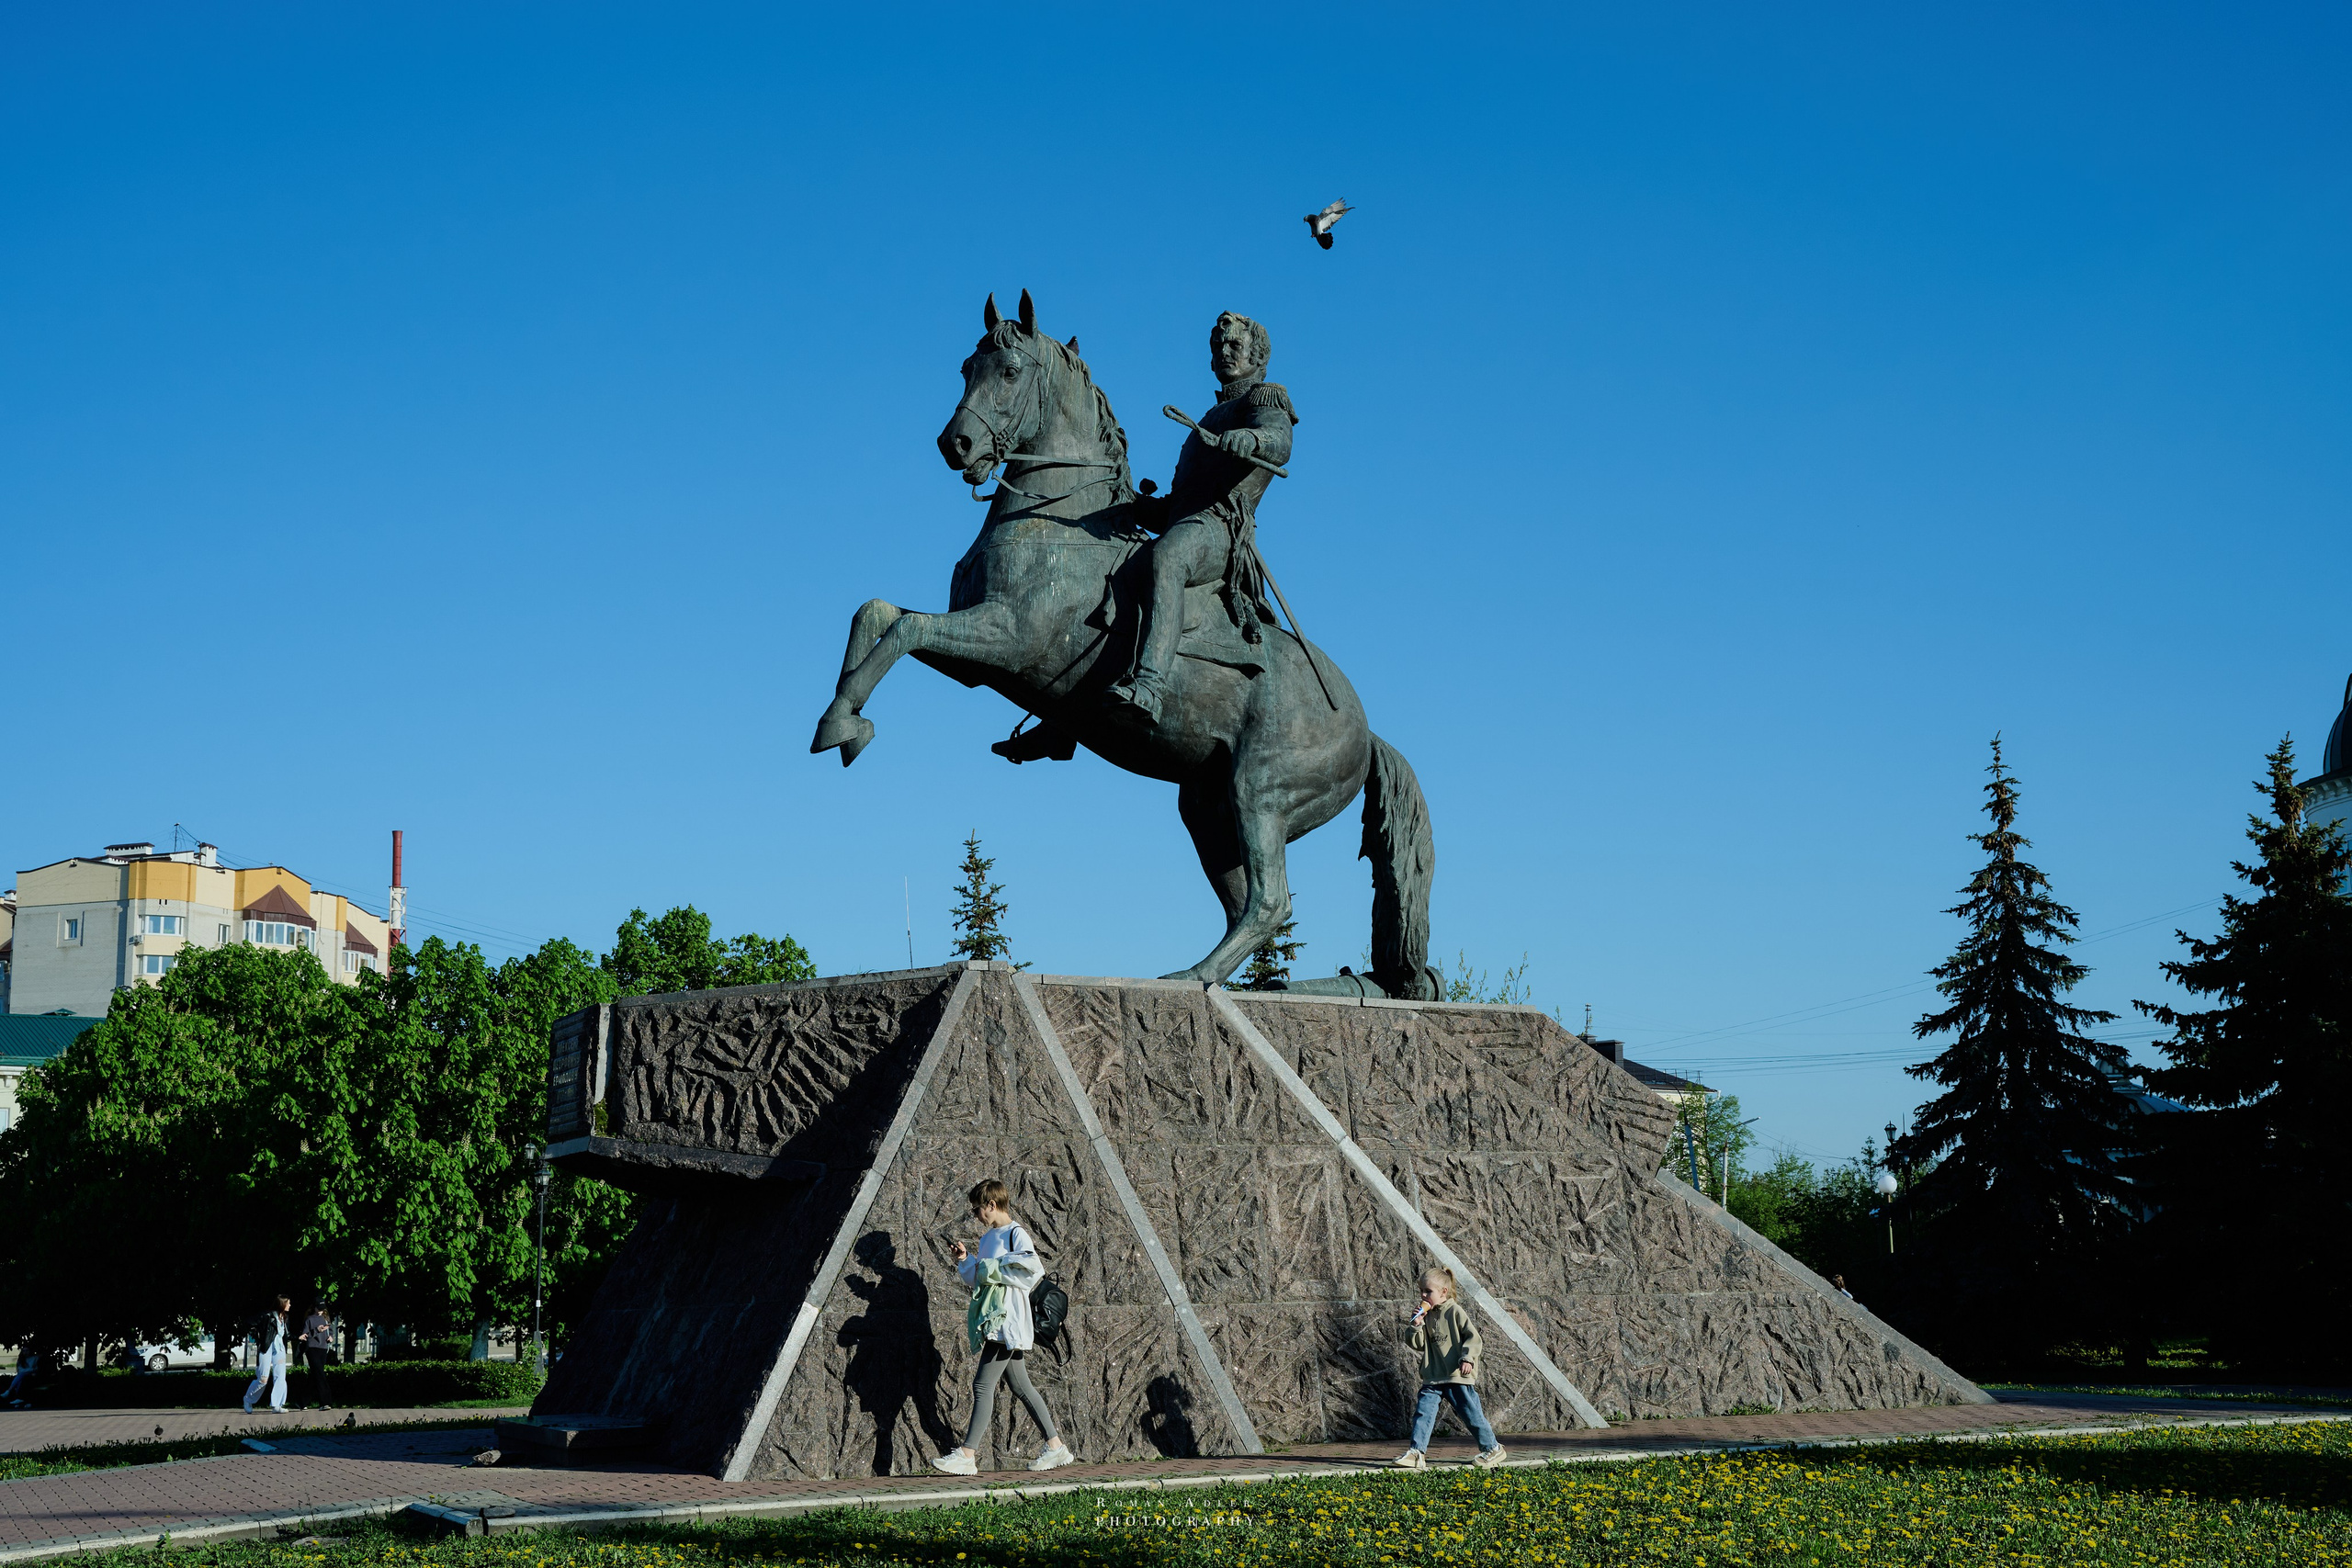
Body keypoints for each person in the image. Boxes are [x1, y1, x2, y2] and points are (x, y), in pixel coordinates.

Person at [1103, 310, 1296, 728]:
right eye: (1218, 348)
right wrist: (1134, 505)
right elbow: (1178, 505)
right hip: (1189, 521)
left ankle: (1150, 684)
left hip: (1221, 528)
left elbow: (1279, 442)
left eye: (1235, 346)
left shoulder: (1264, 397)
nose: (1225, 353)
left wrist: (1251, 438)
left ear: (1257, 355)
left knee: (1168, 558)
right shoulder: (1205, 422)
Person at [929, 1179, 1074, 1476]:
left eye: (976, 1209)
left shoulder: (1015, 1233)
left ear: (991, 1205)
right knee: (1022, 1387)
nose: (975, 1215)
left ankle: (967, 1455)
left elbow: (1032, 1268)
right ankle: (1056, 1446)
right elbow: (978, 1279)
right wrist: (966, 1260)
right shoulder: (987, 1239)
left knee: (983, 1385)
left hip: (1006, 1320)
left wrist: (991, 1267)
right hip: (994, 1319)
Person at [1395, 1267, 1507, 1471]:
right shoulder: (1426, 1316)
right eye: (1421, 1290)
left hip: (1457, 1375)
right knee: (1423, 1413)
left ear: (1443, 1292)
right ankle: (1416, 1453)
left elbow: (1473, 1337)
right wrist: (1416, 1325)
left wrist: (1467, 1358)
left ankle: (1493, 1448)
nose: (1423, 1295)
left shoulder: (1455, 1311)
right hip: (1434, 1376)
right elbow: (1418, 1344)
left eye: (1428, 1291)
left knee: (1470, 1413)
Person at [243, 1295, 291, 1416]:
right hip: (266, 1348)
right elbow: (249, 1323)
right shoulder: (267, 1316)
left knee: (280, 1377)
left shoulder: (285, 1318)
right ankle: (248, 1399)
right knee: (263, 1379)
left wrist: (297, 1337)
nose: (290, 1305)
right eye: (288, 1303)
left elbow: (286, 1335)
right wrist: (258, 1336)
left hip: (279, 1349)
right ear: (282, 1304)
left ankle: (277, 1405)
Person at [300, 1302, 336, 1410]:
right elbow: (305, 1335)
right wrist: (316, 1330)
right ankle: (325, 1402)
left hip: (323, 1348)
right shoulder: (309, 1319)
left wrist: (331, 1337)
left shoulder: (325, 1319)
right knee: (320, 1374)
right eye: (318, 1308)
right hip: (312, 1348)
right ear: (314, 1307)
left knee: (315, 1375)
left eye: (322, 1308)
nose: (320, 1310)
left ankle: (302, 1401)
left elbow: (330, 1331)